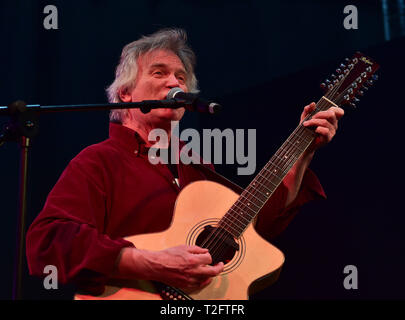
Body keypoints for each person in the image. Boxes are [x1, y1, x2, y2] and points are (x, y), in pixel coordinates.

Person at [25, 28, 344, 296]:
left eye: (181, 77)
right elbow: (47, 242)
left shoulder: (196, 165)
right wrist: (149, 262)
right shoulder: (98, 162)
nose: (175, 83)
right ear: (125, 93)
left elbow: (257, 230)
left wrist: (302, 153)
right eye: (159, 73)